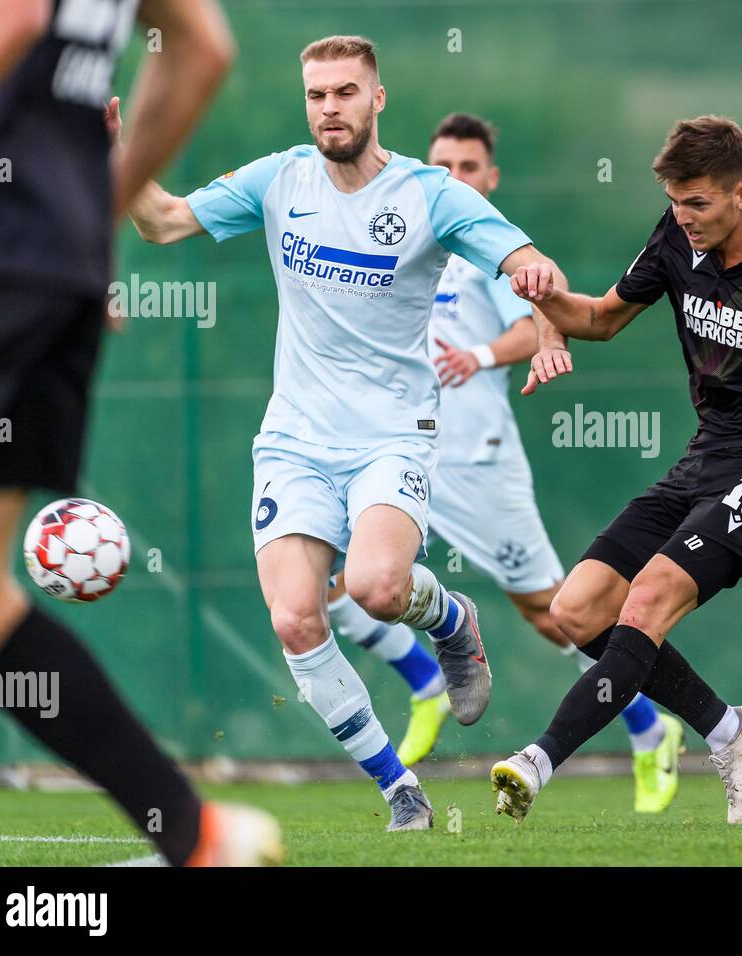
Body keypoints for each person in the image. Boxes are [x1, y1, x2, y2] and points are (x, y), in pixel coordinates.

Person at [119, 35, 565, 830]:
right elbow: (159, 223)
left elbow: (529, 262)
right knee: (294, 617)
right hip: (294, 438)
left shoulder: (433, 195)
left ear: (377, 98)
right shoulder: (280, 178)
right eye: (318, 94)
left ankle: (452, 621)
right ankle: (400, 789)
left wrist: (538, 291)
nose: (331, 107)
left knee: (377, 589)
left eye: (346, 92)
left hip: (393, 434)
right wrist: (115, 153)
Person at [493, 116, 742, 824]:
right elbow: (600, 318)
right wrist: (542, 295)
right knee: (576, 609)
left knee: (646, 598)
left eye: (699, 203)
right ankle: (729, 731)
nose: (685, 218)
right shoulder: (677, 237)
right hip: (705, 457)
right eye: (675, 202)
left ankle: (538, 760)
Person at [0, 0, 280, 865]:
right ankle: (195, 835)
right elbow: (202, 49)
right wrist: (86, 218)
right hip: (40, 257)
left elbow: (6, 16)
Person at [327, 112, 683, 813]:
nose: (453, 179)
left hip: (475, 462)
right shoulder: (402, 237)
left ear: (490, 179)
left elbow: (537, 317)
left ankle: (650, 727)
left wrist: (484, 355)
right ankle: (426, 682)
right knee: (334, 579)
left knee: (557, 616)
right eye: (442, 166)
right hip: (394, 452)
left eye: (467, 168)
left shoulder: (488, 247)